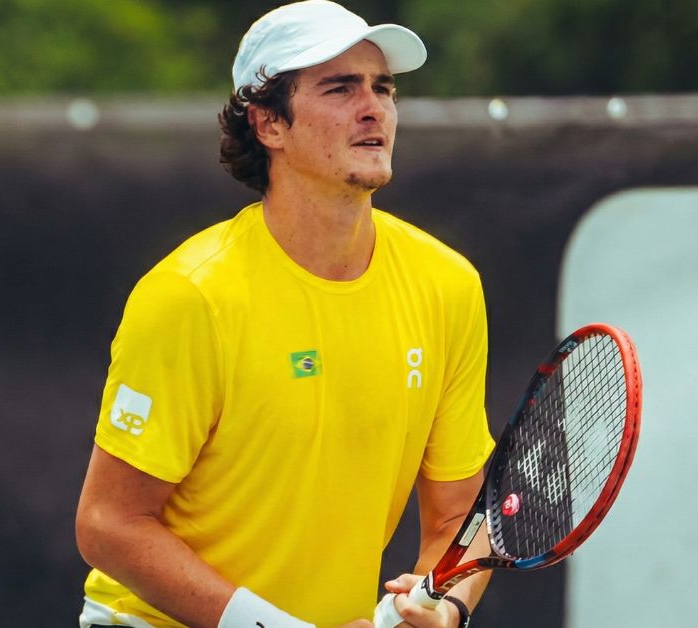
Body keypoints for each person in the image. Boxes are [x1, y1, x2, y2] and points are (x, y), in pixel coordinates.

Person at [75, 1, 495, 626]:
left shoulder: (448, 285)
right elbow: (108, 523)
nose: (373, 106)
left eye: (383, 88)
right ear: (269, 122)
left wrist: (443, 608)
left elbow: (459, 516)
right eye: (339, 87)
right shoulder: (191, 296)